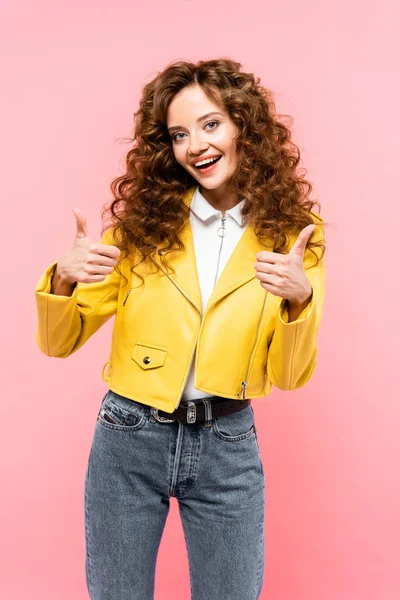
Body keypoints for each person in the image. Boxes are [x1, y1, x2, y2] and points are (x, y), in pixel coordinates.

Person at [35, 57, 326, 600]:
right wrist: (65, 280)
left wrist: (299, 301)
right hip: (129, 436)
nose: (196, 144)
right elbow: (58, 342)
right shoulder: (143, 226)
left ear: (245, 126)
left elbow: (289, 376)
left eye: (211, 124)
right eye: (178, 134)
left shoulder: (294, 238)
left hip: (227, 442)